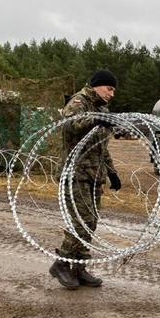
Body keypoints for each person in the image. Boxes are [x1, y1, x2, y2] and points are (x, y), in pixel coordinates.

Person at [49, 69, 122, 290]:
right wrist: (96, 119)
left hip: (94, 175)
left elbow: (101, 146)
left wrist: (111, 171)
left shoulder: (101, 109)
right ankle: (62, 264)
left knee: (90, 223)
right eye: (109, 89)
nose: (112, 94)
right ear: (97, 85)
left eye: (113, 90)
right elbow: (71, 125)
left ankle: (78, 268)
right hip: (76, 174)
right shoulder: (78, 102)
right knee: (80, 221)